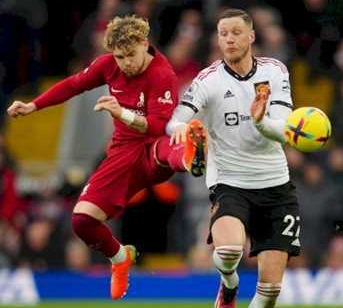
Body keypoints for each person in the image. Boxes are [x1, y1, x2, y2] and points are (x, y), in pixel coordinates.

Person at [6, 15, 206, 300]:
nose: (125, 63)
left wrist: (121, 113)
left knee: (167, 145)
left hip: (155, 147)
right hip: (122, 153)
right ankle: (120, 257)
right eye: (119, 56)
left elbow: (158, 125)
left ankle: (190, 158)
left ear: (144, 44)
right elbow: (74, 84)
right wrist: (34, 105)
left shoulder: (163, 73)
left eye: (130, 55)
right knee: (82, 222)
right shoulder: (108, 65)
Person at [167, 8, 300, 308]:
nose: (229, 39)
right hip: (230, 181)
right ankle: (229, 285)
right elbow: (176, 120)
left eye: (236, 32)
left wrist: (261, 121)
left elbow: (285, 129)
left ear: (251, 36)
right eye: (223, 34)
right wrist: (181, 131)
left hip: (275, 183)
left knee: (269, 292)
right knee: (228, 252)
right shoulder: (208, 80)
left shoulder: (275, 71)